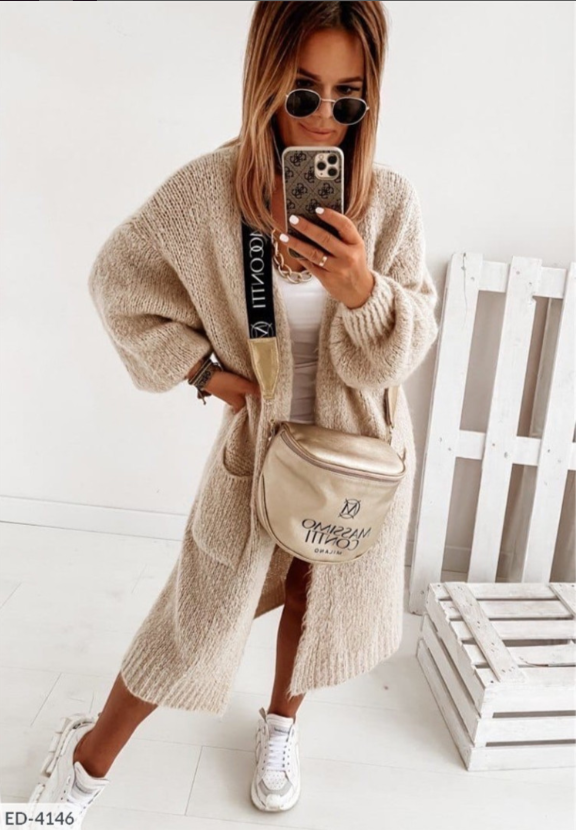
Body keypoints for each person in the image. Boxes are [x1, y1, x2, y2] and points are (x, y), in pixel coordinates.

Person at [29, 0, 439, 817]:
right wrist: (205, 373)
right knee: (196, 617)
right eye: (304, 93)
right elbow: (118, 283)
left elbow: (408, 343)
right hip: (258, 454)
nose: (324, 120)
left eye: (348, 98)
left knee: (315, 599)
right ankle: (87, 759)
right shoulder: (206, 195)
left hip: (358, 454)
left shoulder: (388, 201)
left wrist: (363, 289)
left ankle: (282, 726)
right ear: (265, 83)